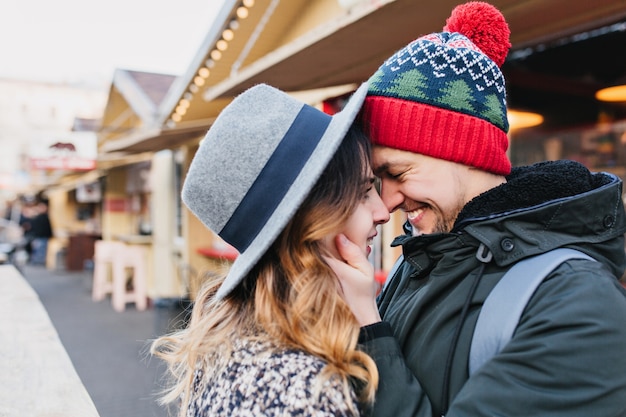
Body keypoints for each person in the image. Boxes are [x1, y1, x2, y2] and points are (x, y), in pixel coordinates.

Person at [330, 2, 626, 416]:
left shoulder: (578, 304)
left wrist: (366, 328)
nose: (387, 201)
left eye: (397, 172)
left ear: (462, 151)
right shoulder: (422, 261)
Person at [151, 82, 390, 416]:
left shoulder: (235, 342)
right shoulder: (303, 387)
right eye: (365, 191)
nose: (384, 211)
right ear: (313, 217)